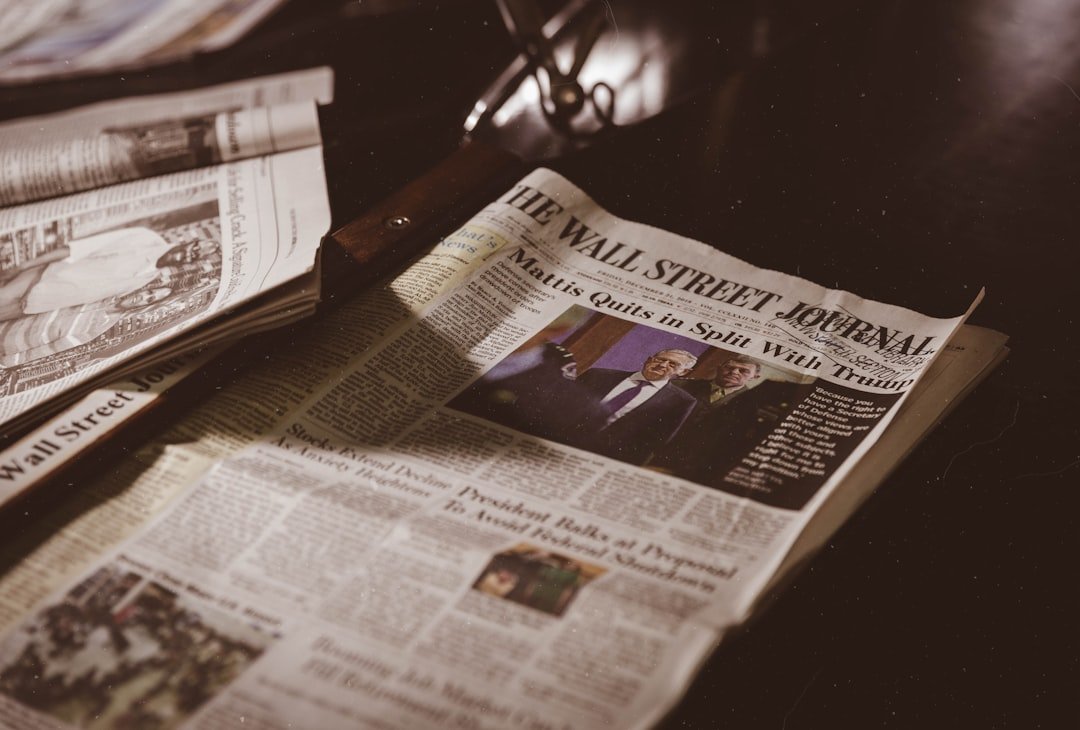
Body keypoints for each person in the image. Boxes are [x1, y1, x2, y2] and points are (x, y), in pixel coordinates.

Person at [650, 355, 806, 492]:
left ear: (755, 377)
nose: (734, 372)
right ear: (719, 368)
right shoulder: (680, 386)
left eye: (743, 371)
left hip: (699, 464)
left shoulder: (755, 403)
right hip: (653, 450)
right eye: (729, 367)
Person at [0, 227, 184, 322]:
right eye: (195, 248)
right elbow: (75, 250)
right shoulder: (144, 239)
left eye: (198, 255)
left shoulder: (149, 278)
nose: (191, 254)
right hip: (39, 278)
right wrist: (25, 265)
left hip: (34, 305)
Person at [576, 349, 699, 465]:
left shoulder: (681, 401)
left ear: (683, 372)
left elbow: (656, 441)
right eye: (660, 360)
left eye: (673, 364)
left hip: (607, 457)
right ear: (649, 360)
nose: (662, 365)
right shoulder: (598, 375)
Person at [0, 286, 173, 368]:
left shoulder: (101, 326)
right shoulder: (102, 294)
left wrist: (6, 362)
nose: (144, 297)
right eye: (149, 293)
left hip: (8, 347)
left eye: (150, 300)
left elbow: (51, 349)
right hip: (6, 324)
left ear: (143, 307)